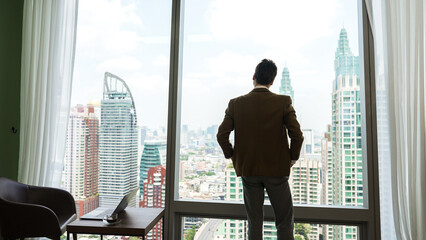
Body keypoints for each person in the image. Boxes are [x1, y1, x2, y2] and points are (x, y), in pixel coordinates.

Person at [216, 59, 304, 240]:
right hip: (277, 171)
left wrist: (234, 157)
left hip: (249, 170)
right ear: (272, 81)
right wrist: (292, 158)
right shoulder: (283, 102)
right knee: (284, 223)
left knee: (254, 222)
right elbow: (297, 135)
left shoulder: (235, 104)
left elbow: (221, 135)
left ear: (253, 77)